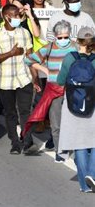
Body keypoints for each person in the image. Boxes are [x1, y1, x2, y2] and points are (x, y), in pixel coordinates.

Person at [0, 4, 36, 155]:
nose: (18, 18)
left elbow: (30, 56)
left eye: (19, 15)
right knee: (10, 113)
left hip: (24, 78)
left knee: (25, 111)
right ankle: (15, 142)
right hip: (5, 81)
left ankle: (27, 140)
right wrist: (11, 53)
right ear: (5, 16)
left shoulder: (24, 33)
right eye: (14, 16)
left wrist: (35, 78)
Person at [25, 20, 74, 163]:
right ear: (55, 36)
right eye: (60, 37)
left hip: (72, 90)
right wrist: (44, 69)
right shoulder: (49, 48)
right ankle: (60, 152)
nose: (63, 40)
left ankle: (74, 150)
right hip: (53, 90)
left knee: (71, 122)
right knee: (56, 123)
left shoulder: (75, 48)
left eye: (66, 37)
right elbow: (29, 60)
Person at [56, 26, 95, 193]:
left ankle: (84, 185)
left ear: (77, 41)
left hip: (73, 104)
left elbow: (60, 81)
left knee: (79, 143)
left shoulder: (69, 58)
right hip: (93, 103)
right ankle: (92, 173)